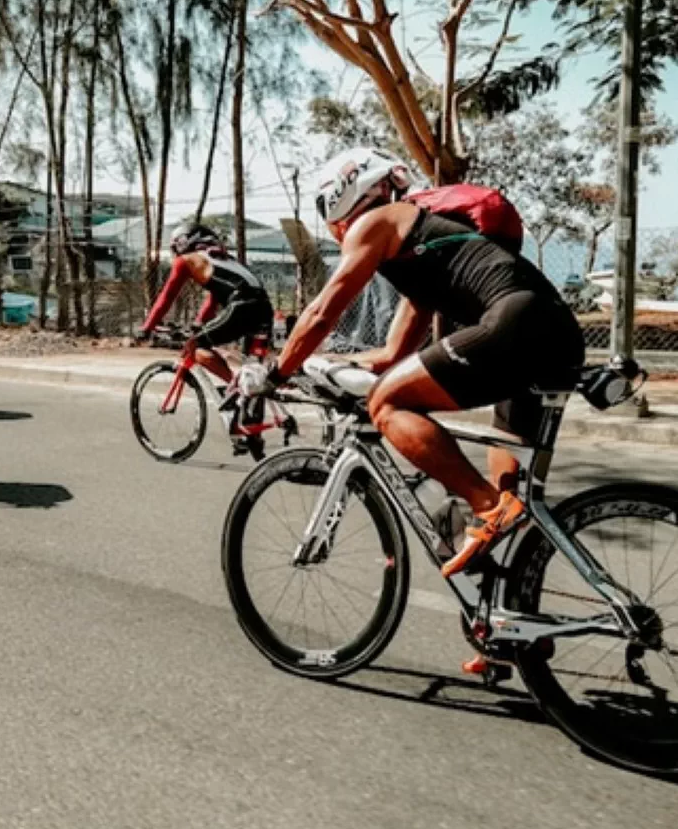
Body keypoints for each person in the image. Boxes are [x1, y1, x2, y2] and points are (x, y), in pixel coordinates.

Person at [246, 148, 586, 671]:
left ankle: (485, 508)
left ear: (345, 203)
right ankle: (514, 631)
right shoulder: (423, 237)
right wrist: (375, 360)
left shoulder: (377, 221)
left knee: (388, 404)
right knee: (514, 499)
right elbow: (404, 336)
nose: (337, 233)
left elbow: (322, 308)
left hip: (514, 324)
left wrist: (278, 372)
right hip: (554, 335)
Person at [136, 223, 275, 387]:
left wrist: (147, 327)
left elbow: (166, 297)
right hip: (264, 309)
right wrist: (199, 323)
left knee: (196, 346)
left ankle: (234, 387)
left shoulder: (186, 260)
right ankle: (254, 407)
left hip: (242, 306)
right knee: (253, 371)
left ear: (183, 243)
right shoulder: (223, 259)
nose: (175, 253)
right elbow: (213, 300)